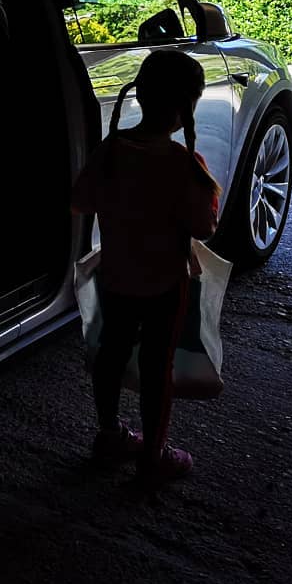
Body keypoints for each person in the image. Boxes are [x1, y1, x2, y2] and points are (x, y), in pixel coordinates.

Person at [71, 49, 221, 487]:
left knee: (111, 355)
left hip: (116, 278)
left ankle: (109, 434)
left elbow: (80, 200)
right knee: (158, 368)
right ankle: (153, 456)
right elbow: (204, 227)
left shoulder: (111, 150)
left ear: (140, 95)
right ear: (185, 107)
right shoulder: (184, 165)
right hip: (164, 287)